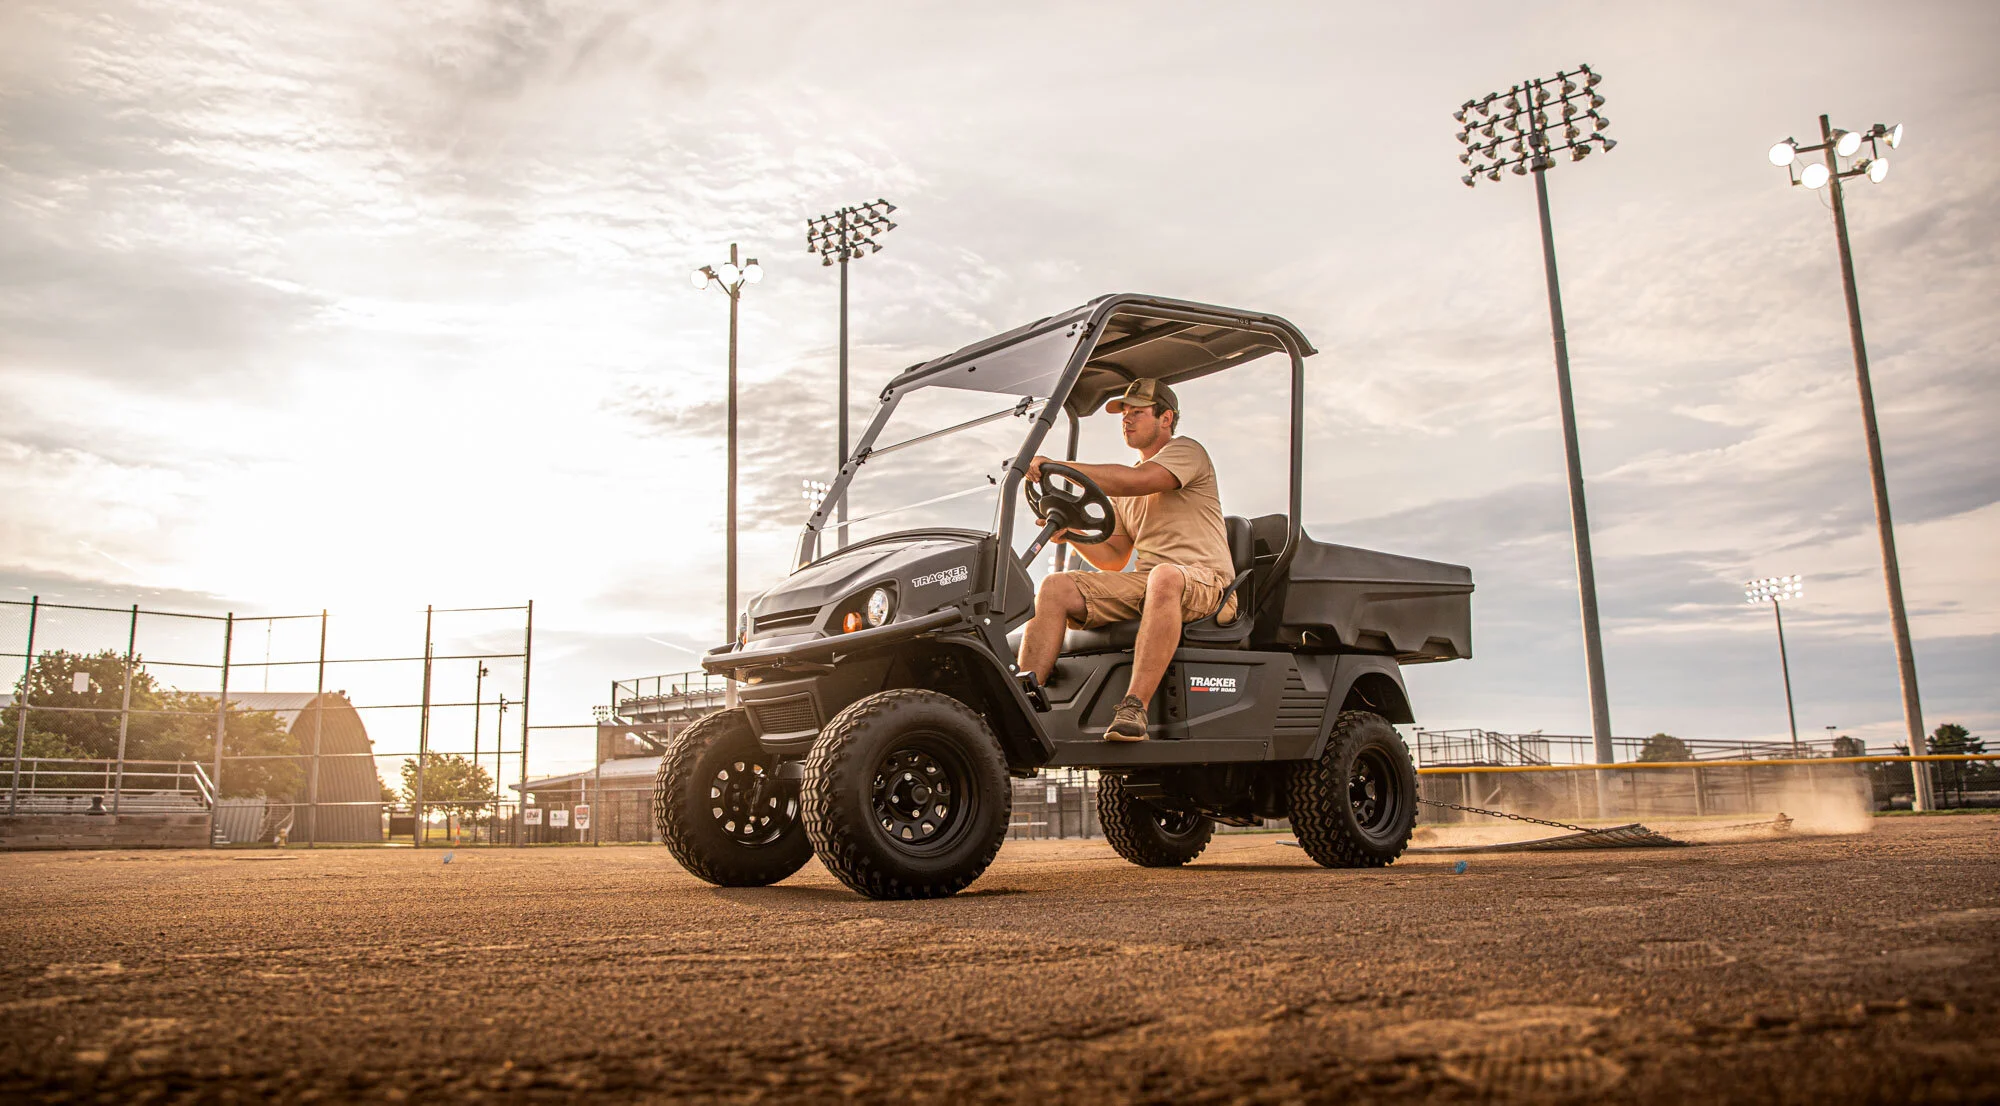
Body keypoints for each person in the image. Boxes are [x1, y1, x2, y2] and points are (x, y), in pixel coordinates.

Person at [1017, 378, 1236, 742]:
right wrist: (1069, 534)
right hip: (1151, 584)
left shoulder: (1186, 453)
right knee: (1055, 587)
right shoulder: (1125, 489)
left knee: (1164, 576)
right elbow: (1114, 557)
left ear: (1166, 418)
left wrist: (1056, 464)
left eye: (1138, 412)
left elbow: (1138, 480)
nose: (1127, 420)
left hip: (1209, 583)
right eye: (1124, 413)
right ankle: (1020, 705)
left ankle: (1135, 707)